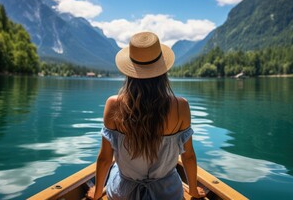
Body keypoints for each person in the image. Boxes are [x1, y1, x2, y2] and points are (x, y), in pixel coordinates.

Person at [87, 32, 206, 200]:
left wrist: (98, 193)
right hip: (167, 194)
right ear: (163, 70)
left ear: (130, 70)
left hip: (123, 194)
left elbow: (106, 159)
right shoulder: (181, 106)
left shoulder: (113, 104)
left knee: (115, 169)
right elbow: (188, 156)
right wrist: (193, 190)